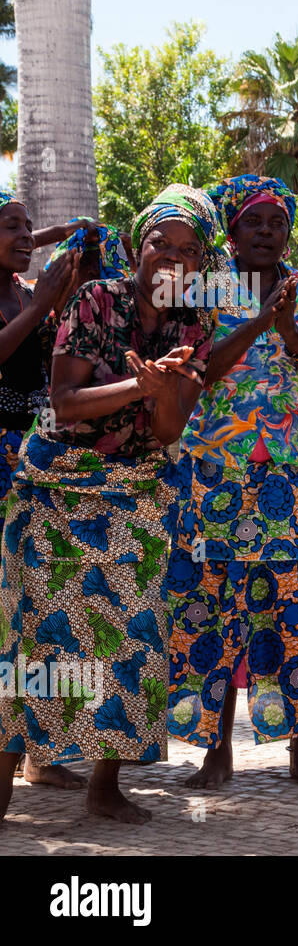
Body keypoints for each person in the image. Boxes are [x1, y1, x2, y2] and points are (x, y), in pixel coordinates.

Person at [0, 184, 215, 823]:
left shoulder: (191, 325)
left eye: (187, 249)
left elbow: (171, 429)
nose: (173, 258)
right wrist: (137, 386)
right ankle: (7, 775)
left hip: (137, 492)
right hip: (58, 489)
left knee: (132, 639)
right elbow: (64, 404)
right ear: (134, 247)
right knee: (33, 639)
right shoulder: (94, 301)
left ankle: (104, 783)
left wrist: (166, 393)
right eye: (160, 243)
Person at [166, 174, 298, 793]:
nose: (267, 232)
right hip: (216, 475)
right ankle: (216, 751)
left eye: (277, 222)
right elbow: (202, 370)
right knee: (217, 606)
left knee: (297, 604)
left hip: (293, 474)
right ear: (232, 232)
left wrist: (293, 332)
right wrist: (259, 323)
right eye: (254, 222)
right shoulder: (206, 289)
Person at [2, 208, 133, 795]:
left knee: (40, 613)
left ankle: (37, 749)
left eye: (28, 225)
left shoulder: (32, 290)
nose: (23, 237)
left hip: (35, 464)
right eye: (10, 226)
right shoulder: (27, 297)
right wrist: (38, 304)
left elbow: (59, 387)